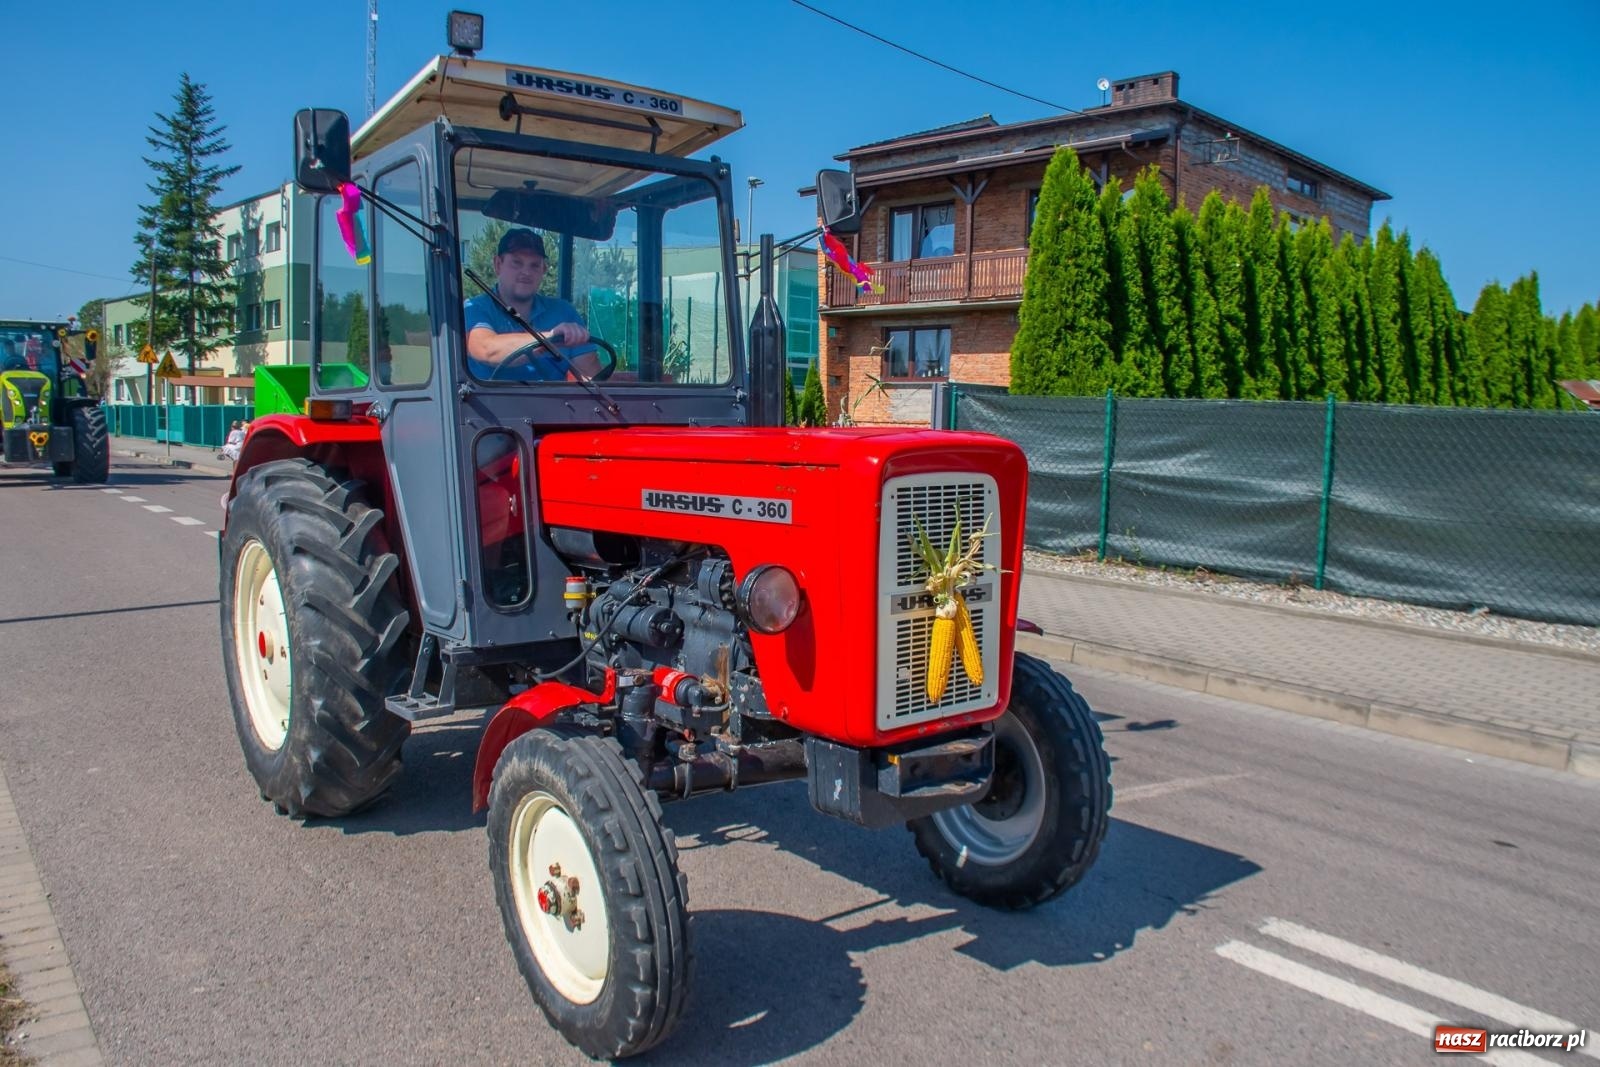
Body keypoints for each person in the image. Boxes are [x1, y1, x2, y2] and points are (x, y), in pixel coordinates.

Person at [463, 228, 601, 381]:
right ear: (498, 264)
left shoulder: (564, 312)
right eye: (517, 263)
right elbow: (486, 349)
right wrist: (550, 337)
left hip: (554, 404)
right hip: (488, 404)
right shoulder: (473, 309)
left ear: (544, 269)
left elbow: (592, 380)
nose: (526, 272)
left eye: (534, 265)